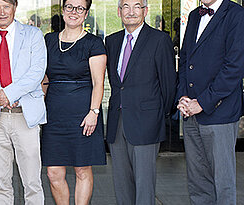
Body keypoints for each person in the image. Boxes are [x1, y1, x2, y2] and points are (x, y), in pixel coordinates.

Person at [0, 0, 47, 204]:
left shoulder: (33, 35)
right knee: (1, 182)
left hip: (25, 116)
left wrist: (9, 94)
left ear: (14, 7)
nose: (2, 12)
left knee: (32, 182)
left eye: (6, 6)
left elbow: (37, 72)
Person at [104, 0, 177, 203]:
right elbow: (116, 82)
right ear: (119, 12)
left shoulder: (159, 40)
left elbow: (169, 84)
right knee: (121, 184)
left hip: (146, 123)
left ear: (145, 11)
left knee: (144, 187)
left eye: (137, 6)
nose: (131, 11)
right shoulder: (112, 41)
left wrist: (156, 115)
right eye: (126, 6)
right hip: (117, 122)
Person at [176, 0, 244, 203]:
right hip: (191, 112)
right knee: (198, 183)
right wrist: (183, 96)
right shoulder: (196, 14)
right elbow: (186, 58)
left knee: (223, 182)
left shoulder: (236, 14)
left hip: (219, 112)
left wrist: (202, 103)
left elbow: (234, 67)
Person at [40, 0, 107, 204]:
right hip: (54, 114)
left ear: (86, 14)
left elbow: (98, 82)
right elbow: (44, 79)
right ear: (62, 10)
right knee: (53, 172)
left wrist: (93, 112)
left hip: (83, 115)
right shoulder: (49, 40)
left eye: (80, 8)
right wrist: (38, 110)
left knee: (82, 169)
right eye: (69, 7)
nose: (74, 12)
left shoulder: (94, 43)